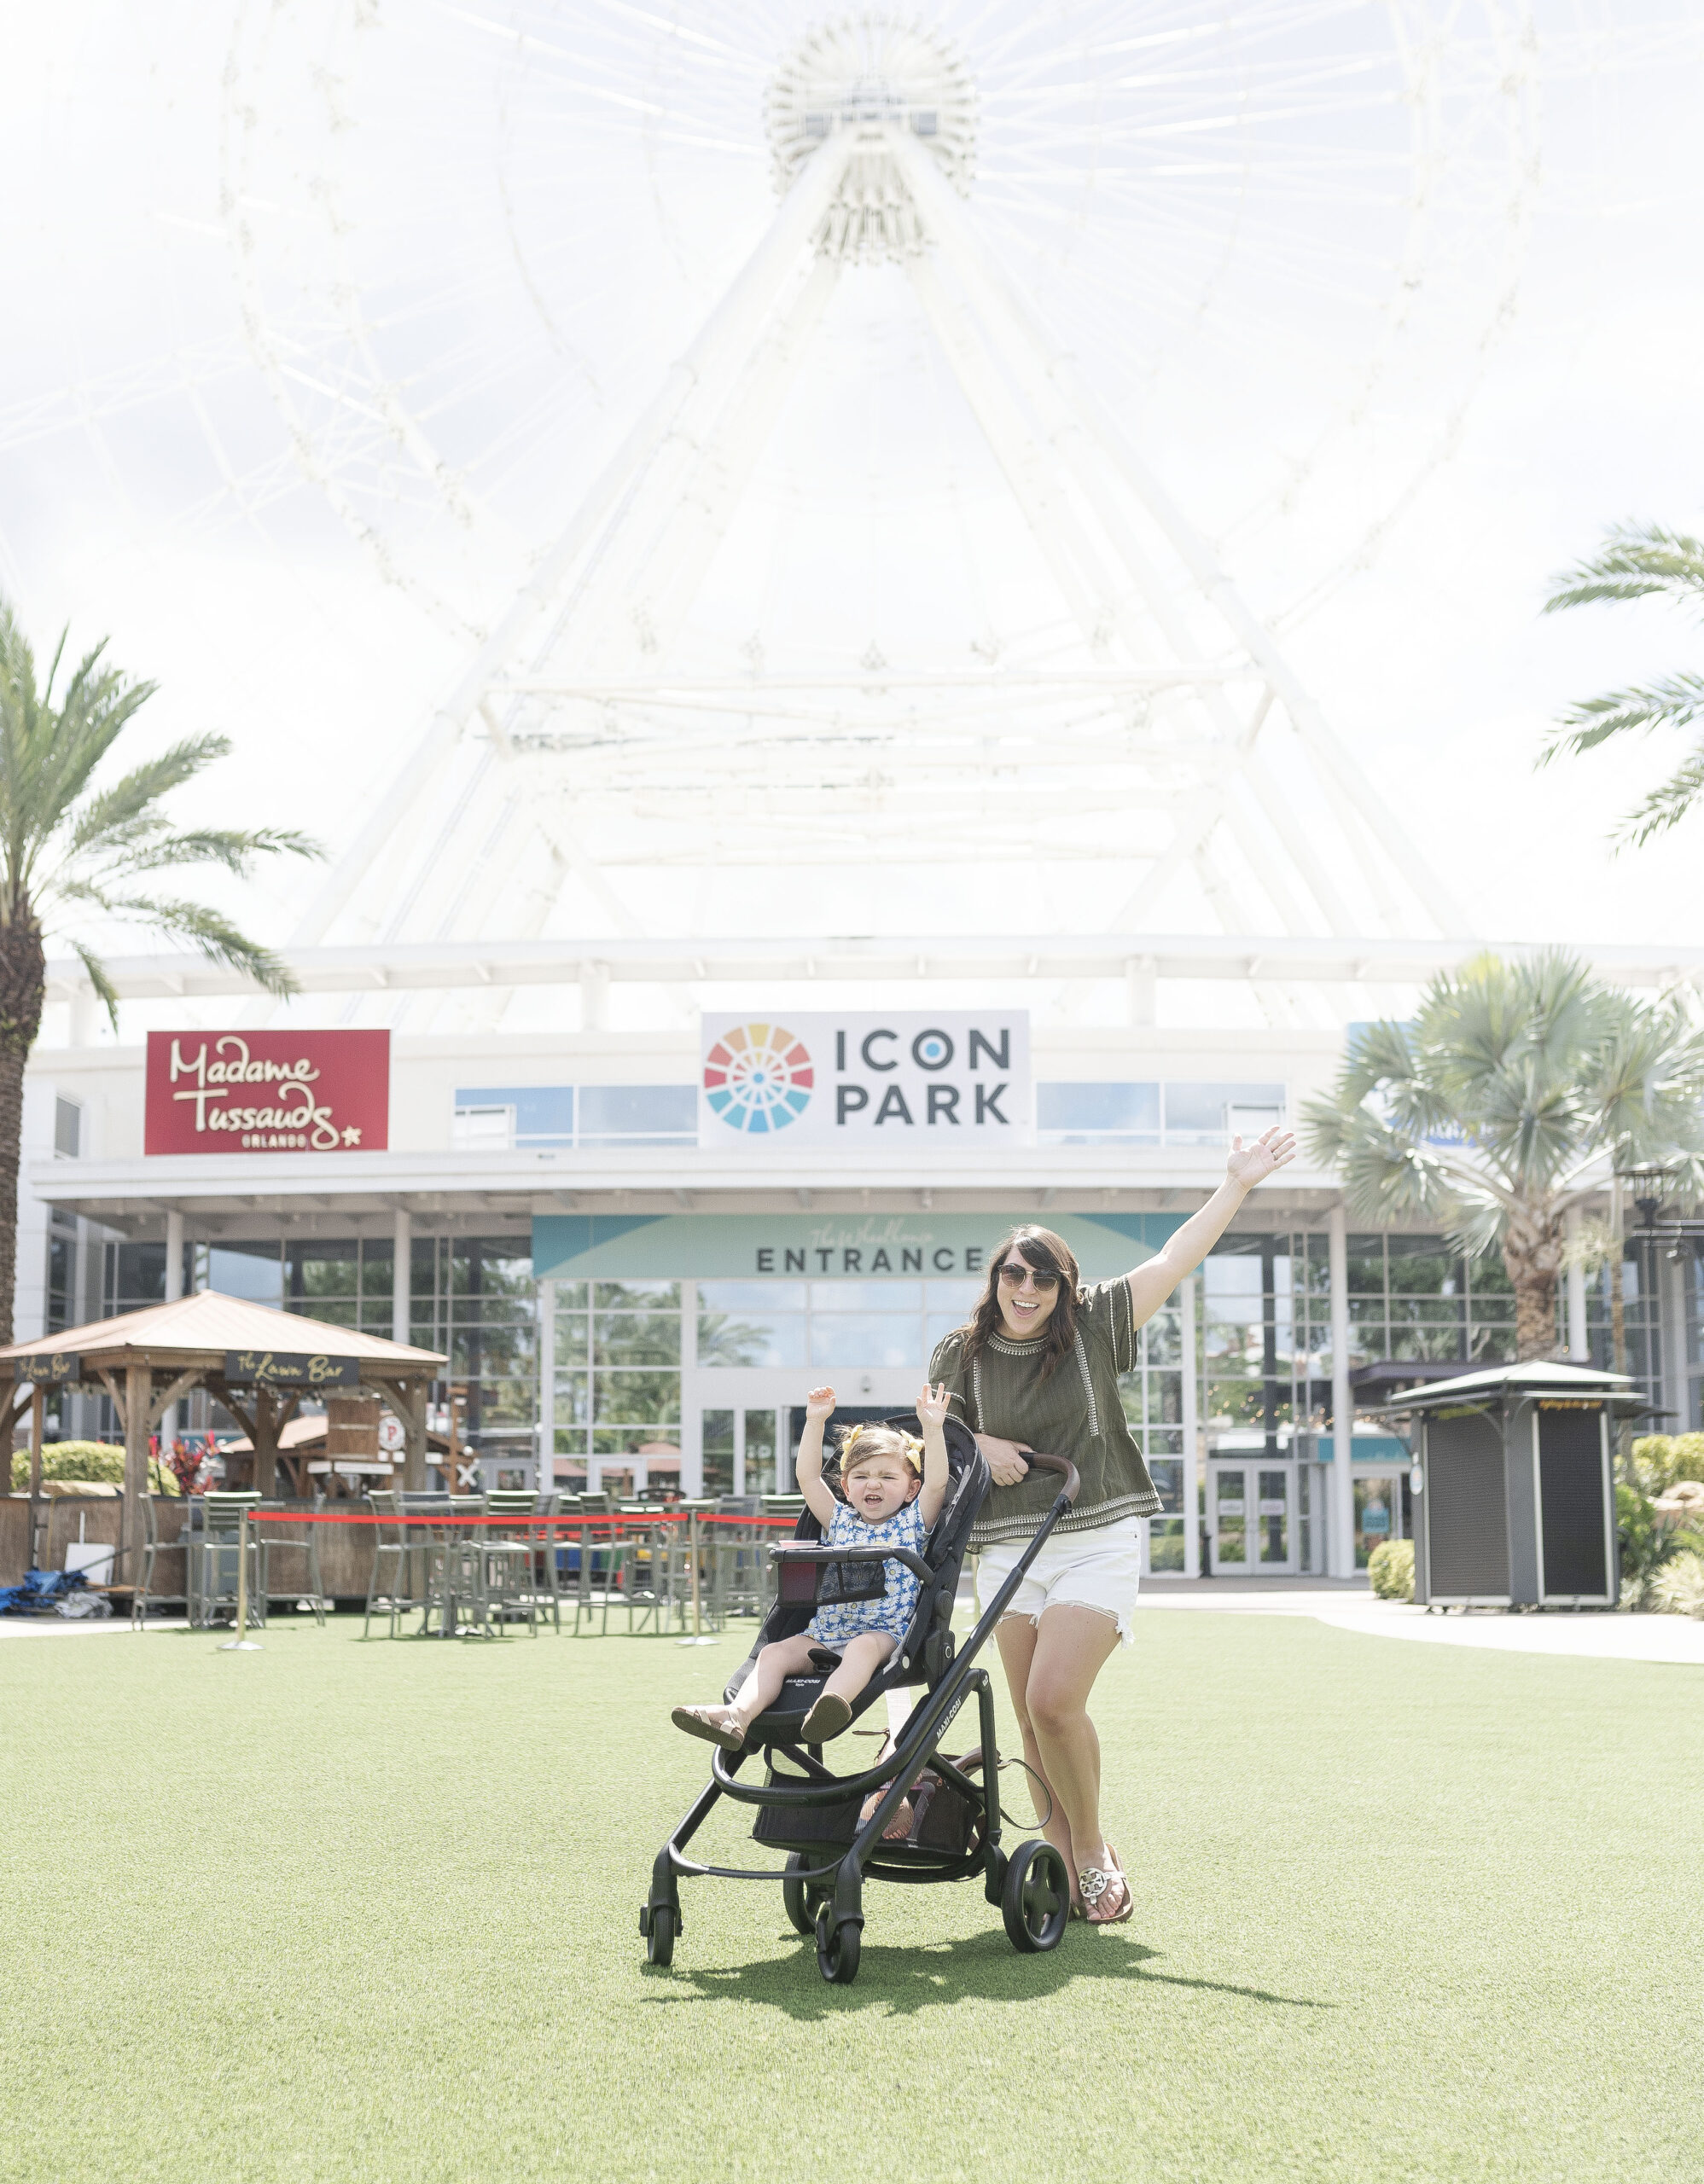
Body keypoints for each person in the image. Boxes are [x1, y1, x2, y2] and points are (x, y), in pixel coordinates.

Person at [928, 1126, 1295, 1924]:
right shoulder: (959, 1353)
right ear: (995, 1279)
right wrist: (975, 1441)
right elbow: (931, 1441)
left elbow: (1173, 1258)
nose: (1025, 1289)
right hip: (1008, 1549)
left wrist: (1235, 1183)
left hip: (1094, 1534)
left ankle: (1090, 1847)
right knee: (1025, 1714)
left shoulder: (1094, 1324)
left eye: (1043, 1279)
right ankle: (1056, 1853)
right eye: (1012, 1274)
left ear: (1064, 1288)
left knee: (1055, 1700)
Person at [672, 1381, 951, 1752]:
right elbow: (807, 1478)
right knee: (774, 1654)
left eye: (887, 1477)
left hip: (883, 1632)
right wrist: (815, 1422)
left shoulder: (913, 1523)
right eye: (862, 1477)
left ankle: (830, 1705)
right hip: (824, 1633)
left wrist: (932, 1430)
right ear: (846, 1488)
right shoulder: (839, 1520)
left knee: (863, 1649)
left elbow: (938, 1483)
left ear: (911, 1489)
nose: (874, 1484)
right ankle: (737, 1716)